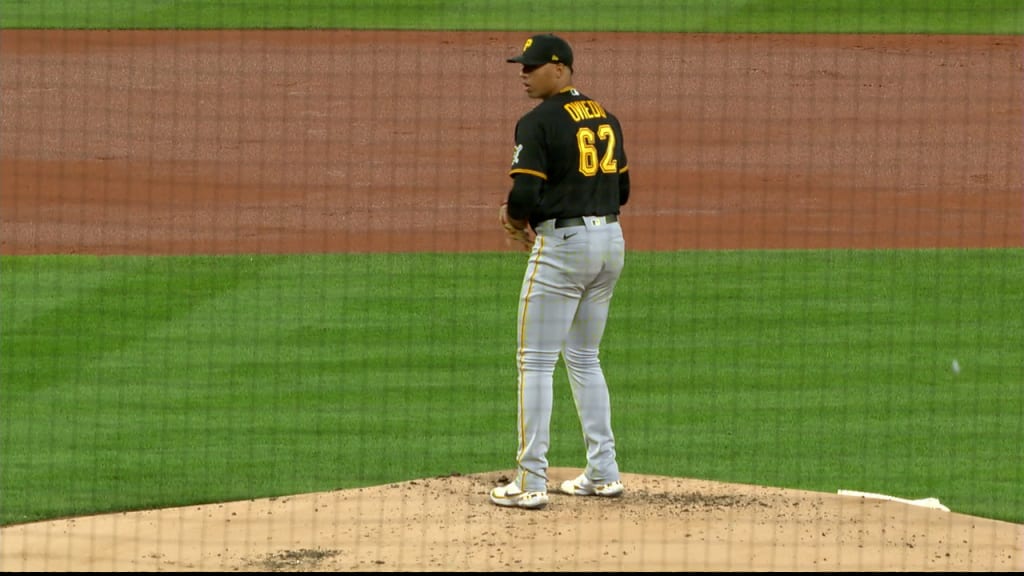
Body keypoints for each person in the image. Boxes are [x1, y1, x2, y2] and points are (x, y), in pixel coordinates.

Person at [491, 33, 630, 509]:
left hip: (565, 248)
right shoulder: (606, 116)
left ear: (561, 68)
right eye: (521, 66)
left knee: (535, 361)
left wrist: (513, 221)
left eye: (532, 66)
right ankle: (603, 472)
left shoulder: (538, 122)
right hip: (610, 242)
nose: (524, 74)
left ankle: (530, 480)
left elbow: (524, 196)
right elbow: (623, 189)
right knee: (585, 357)